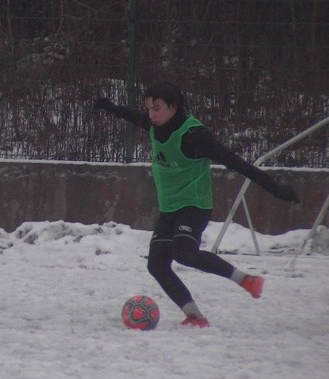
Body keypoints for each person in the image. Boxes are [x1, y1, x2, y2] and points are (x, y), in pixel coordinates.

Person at [95, 81, 299, 327]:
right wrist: (109, 107)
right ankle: (194, 316)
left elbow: (233, 161)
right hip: (169, 208)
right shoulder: (154, 126)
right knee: (157, 265)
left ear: (174, 106)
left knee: (184, 253)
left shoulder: (193, 134)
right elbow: (134, 116)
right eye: (148, 109)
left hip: (193, 206)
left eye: (156, 108)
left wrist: (275, 188)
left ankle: (246, 280)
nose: (151, 114)